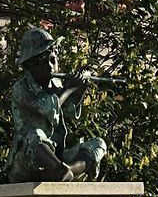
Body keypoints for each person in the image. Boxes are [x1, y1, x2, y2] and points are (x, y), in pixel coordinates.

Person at [6, 26, 107, 183]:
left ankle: (68, 170)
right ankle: (59, 170)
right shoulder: (21, 88)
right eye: (42, 62)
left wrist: (80, 89)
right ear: (29, 66)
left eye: (53, 60)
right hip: (27, 160)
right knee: (35, 134)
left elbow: (69, 112)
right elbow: (48, 108)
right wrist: (68, 89)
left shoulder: (56, 84)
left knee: (98, 144)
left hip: (56, 156)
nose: (50, 66)